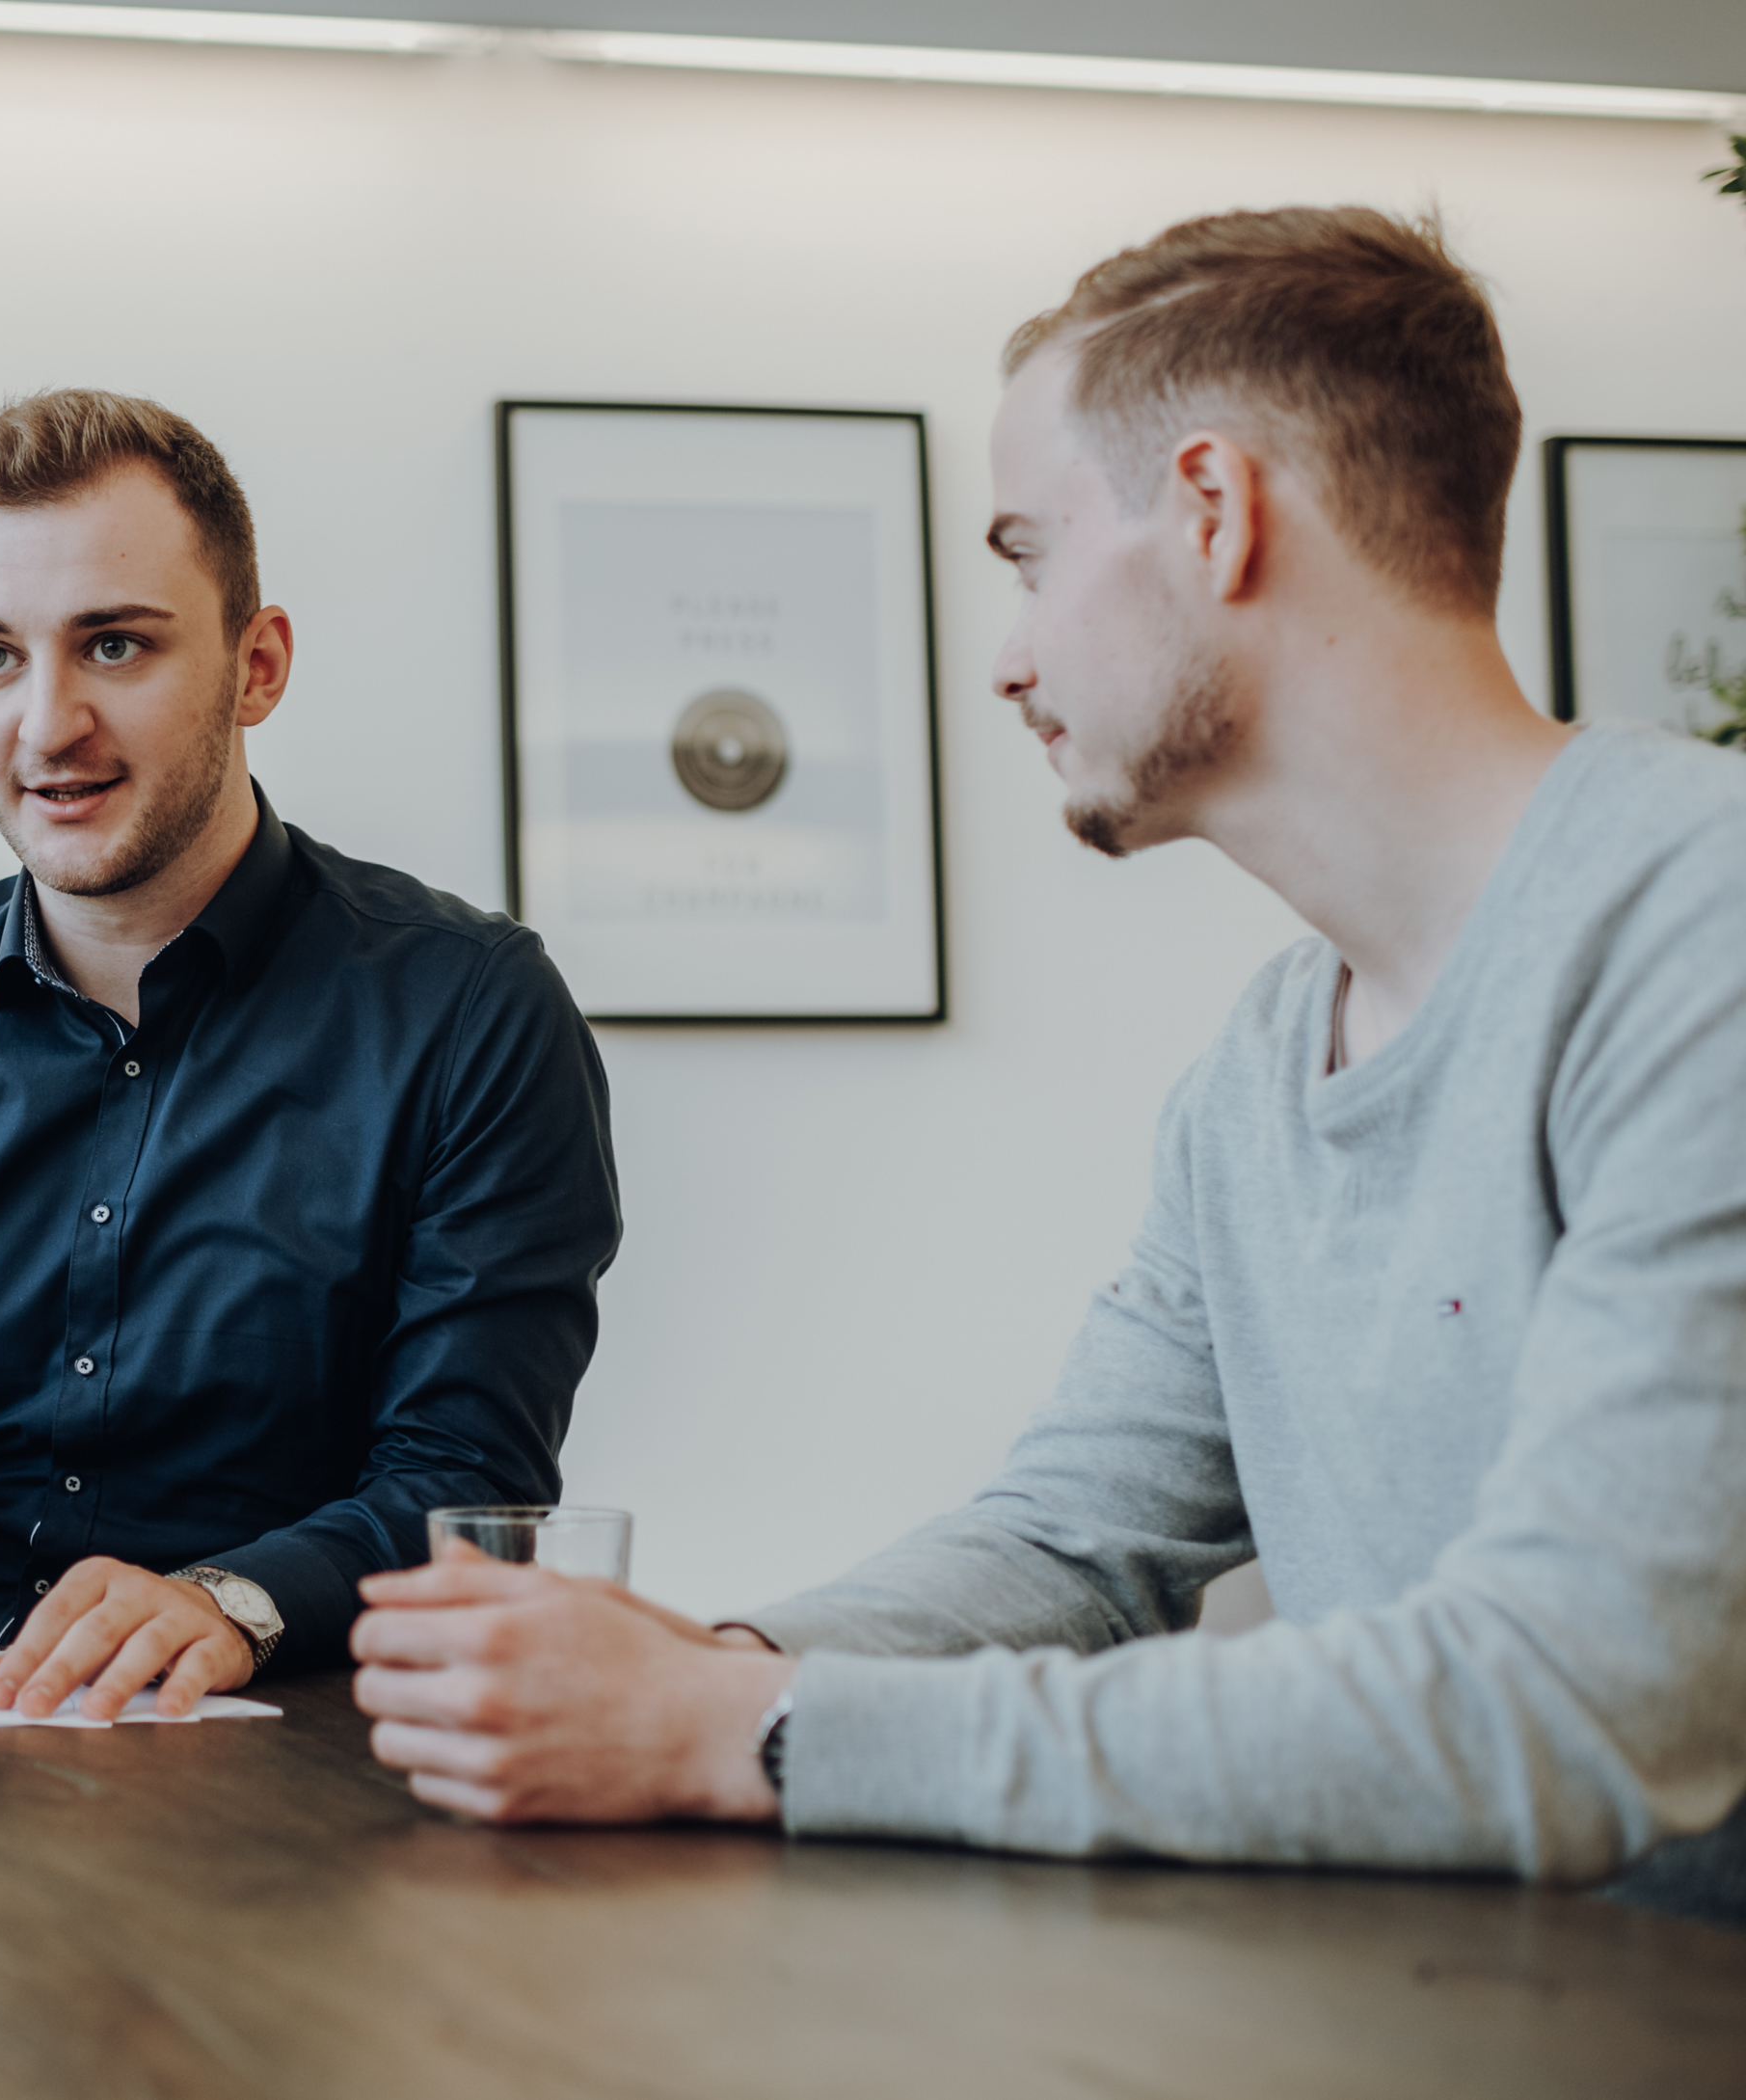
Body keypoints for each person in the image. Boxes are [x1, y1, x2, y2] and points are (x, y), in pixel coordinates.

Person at [352, 206, 1746, 1924]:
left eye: (1030, 554)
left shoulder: (1705, 933)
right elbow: (1071, 1548)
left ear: (1214, 514)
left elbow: (1575, 1696)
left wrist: (759, 1727)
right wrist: (698, 1662)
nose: (1007, 653)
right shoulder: (1254, 1073)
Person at [0, 390, 622, 1718]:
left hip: (286, 1736)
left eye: (113, 646)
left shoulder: (471, 1009)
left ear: (255, 664)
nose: (46, 724)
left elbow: (468, 1484)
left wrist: (226, 1597)